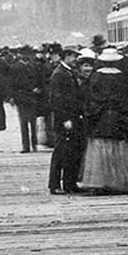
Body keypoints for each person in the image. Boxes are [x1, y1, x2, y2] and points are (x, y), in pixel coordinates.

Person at [79, 48, 128, 193]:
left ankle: (101, 182)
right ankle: (119, 181)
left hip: (100, 118)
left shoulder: (96, 77)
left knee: (101, 146)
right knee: (118, 146)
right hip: (117, 118)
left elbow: (90, 100)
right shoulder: (122, 78)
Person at [47, 45, 85, 195]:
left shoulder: (66, 72)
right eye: (74, 56)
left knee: (70, 152)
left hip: (71, 118)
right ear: (67, 56)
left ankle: (70, 183)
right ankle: (55, 184)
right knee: (61, 152)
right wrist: (65, 119)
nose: (76, 59)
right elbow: (57, 100)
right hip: (66, 119)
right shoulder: (59, 74)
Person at [9, 46, 43, 152]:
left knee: (33, 122)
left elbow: (39, 79)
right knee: (24, 123)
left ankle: (33, 144)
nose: (26, 56)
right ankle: (26, 145)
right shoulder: (15, 67)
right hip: (22, 97)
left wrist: (38, 89)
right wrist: (12, 96)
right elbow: (12, 83)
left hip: (31, 97)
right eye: (24, 54)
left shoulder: (33, 66)